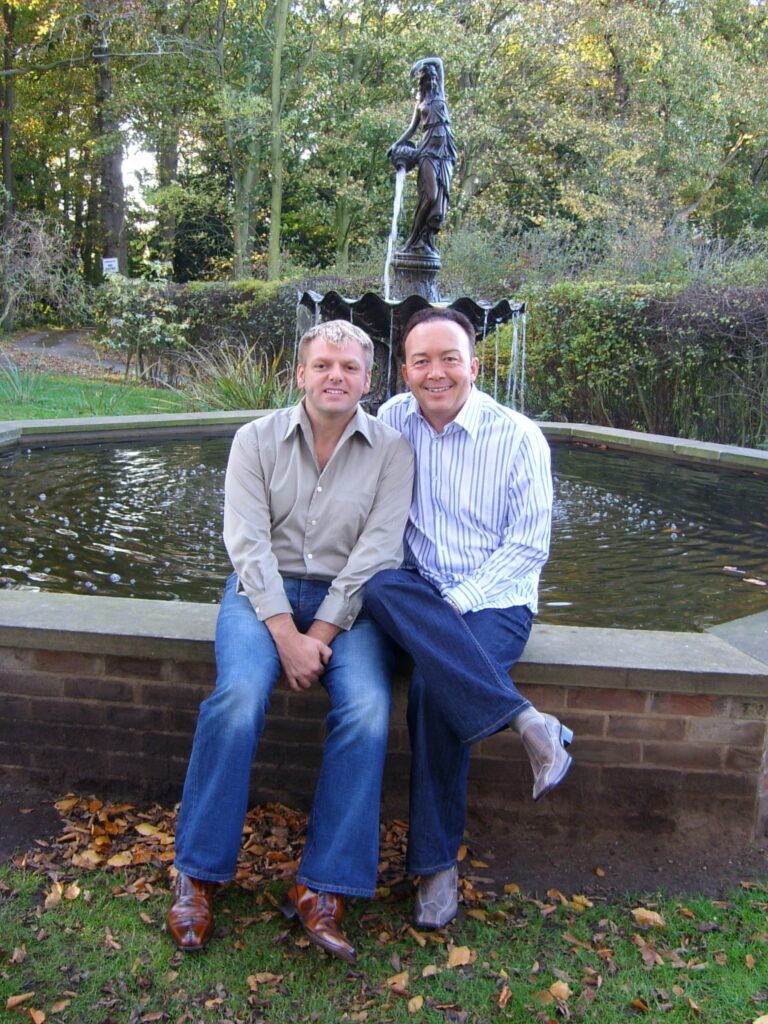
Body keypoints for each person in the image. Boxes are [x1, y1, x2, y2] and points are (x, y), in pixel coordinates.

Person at [166, 320, 414, 964]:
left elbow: (378, 551)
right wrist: (284, 633)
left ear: (368, 380)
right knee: (237, 698)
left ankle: (322, 886)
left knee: (368, 710)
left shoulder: (392, 451)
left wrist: (320, 632)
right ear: (301, 374)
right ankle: (196, 873)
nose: (336, 376)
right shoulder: (254, 440)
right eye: (323, 365)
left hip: (350, 604)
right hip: (259, 597)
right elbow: (246, 543)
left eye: (350, 367)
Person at [363, 307, 573, 930]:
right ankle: (528, 721)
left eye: (449, 359)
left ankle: (436, 868)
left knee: (434, 688)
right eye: (421, 361)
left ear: (474, 366)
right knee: (377, 583)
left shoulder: (518, 437)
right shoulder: (391, 420)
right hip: (417, 592)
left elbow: (528, 546)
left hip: (496, 600)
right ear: (404, 371)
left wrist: (459, 600)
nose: (436, 373)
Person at [388, 56, 457, 259]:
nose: (433, 81)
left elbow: (439, 62)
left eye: (435, 78)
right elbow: (412, 129)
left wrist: (421, 63)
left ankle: (426, 241)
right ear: (423, 82)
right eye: (429, 78)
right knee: (430, 195)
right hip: (427, 150)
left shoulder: (441, 94)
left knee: (439, 206)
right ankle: (412, 240)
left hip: (445, 152)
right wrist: (395, 145)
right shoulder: (420, 104)